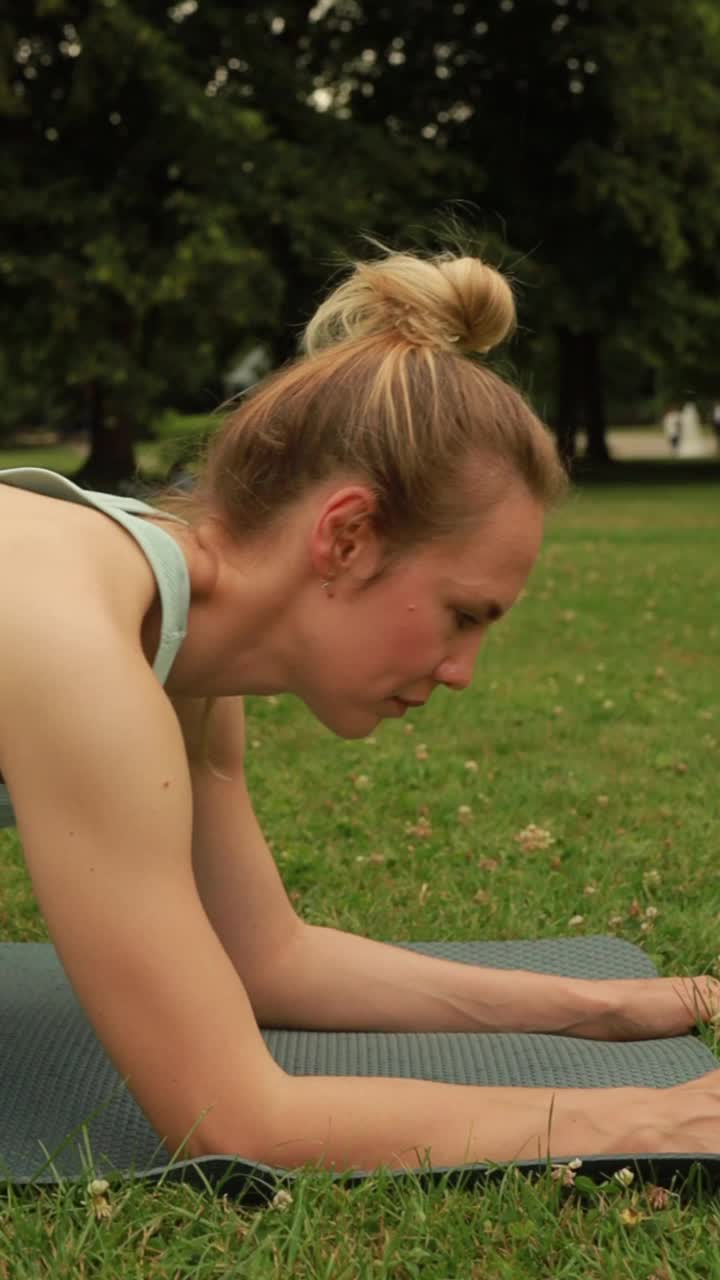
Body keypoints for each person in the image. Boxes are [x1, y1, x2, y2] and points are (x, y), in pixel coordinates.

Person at [0, 245, 719, 1173]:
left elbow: (269, 962)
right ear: (345, 536)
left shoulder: (176, 652)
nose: (463, 671)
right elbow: (235, 1120)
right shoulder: (72, 642)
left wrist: (607, 1009)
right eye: (464, 615)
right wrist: (645, 1123)